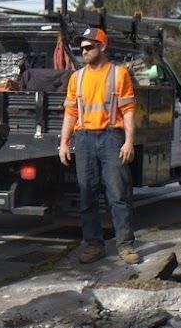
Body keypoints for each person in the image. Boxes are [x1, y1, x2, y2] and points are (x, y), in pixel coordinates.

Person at [58, 26, 139, 265]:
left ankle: (125, 245)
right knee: (87, 195)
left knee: (118, 194)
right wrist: (64, 142)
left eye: (89, 47)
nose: (84, 51)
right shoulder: (77, 77)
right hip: (83, 139)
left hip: (111, 136)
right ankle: (94, 245)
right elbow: (70, 113)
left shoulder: (119, 74)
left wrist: (129, 142)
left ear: (102, 47)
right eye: (82, 48)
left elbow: (128, 111)